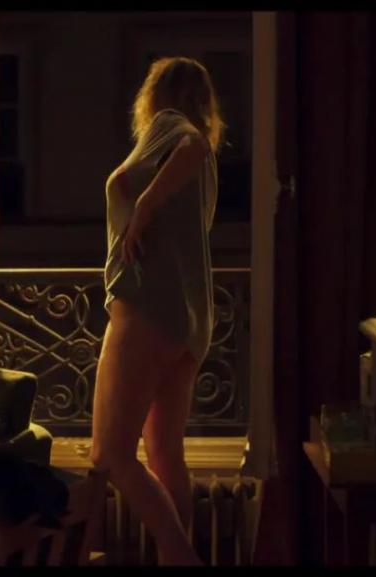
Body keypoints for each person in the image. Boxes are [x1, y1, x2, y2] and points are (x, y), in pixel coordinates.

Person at [89, 56, 222, 566]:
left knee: (110, 453)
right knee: (165, 454)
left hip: (145, 309)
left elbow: (192, 145)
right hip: (187, 322)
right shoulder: (197, 159)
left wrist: (142, 208)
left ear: (155, 94)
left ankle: (182, 557)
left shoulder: (172, 128)